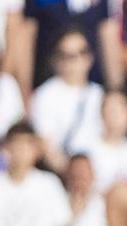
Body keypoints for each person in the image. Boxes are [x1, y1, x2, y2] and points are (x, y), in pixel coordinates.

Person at [30, 27, 105, 172]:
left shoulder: (100, 94)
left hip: (98, 172)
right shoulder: (45, 95)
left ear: (89, 57)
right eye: (65, 55)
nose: (72, 61)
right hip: (65, 174)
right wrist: (74, 175)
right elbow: (46, 147)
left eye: (79, 53)